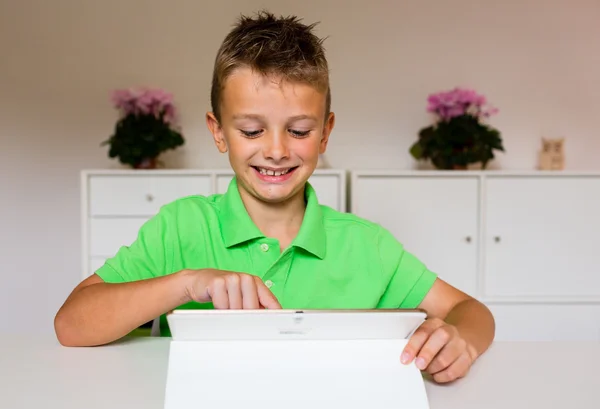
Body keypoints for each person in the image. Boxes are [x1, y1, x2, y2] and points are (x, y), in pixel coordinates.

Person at [54, 10, 495, 384]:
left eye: (299, 130)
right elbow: (71, 323)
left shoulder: (368, 246)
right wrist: (187, 283)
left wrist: (461, 339)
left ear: (325, 133)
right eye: (251, 130)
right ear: (218, 132)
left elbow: (469, 310)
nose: (277, 150)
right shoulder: (181, 227)